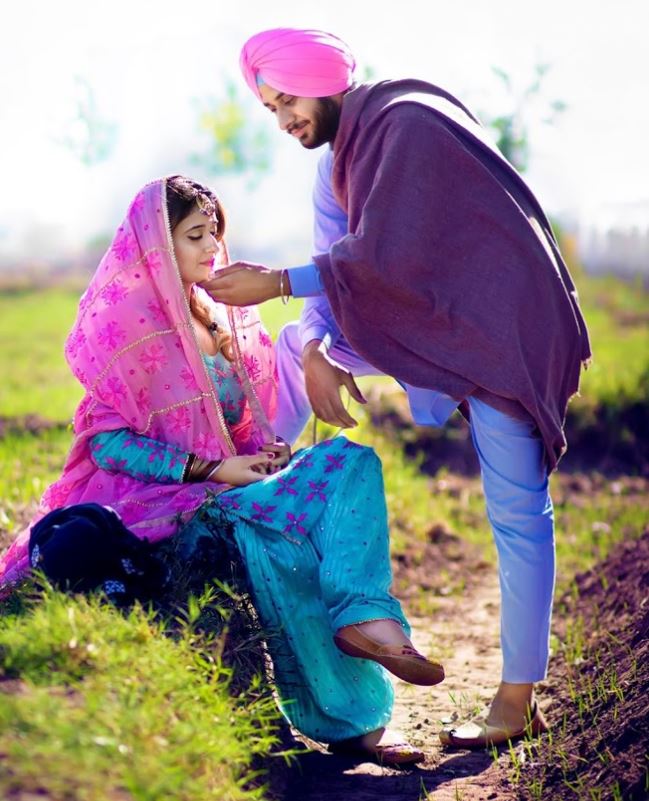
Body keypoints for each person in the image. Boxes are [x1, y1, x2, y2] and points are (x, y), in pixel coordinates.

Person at [200, 28, 592, 750]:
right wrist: (318, 346)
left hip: (496, 326)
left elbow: (393, 258)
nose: (282, 119)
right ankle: (251, 488)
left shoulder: (407, 124)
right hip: (426, 323)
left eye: (286, 100)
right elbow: (342, 261)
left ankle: (516, 700)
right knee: (291, 343)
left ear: (323, 82)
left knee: (517, 513)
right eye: (269, 107)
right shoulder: (337, 166)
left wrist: (280, 283)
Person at [0, 175, 445, 765]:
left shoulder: (216, 314)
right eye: (194, 236)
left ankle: (364, 619)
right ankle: (356, 724)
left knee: (351, 462)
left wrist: (264, 452)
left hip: (235, 481)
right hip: (170, 500)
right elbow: (106, 443)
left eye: (215, 233)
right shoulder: (126, 323)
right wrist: (213, 468)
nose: (212, 248)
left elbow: (245, 417)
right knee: (281, 545)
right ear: (158, 245)